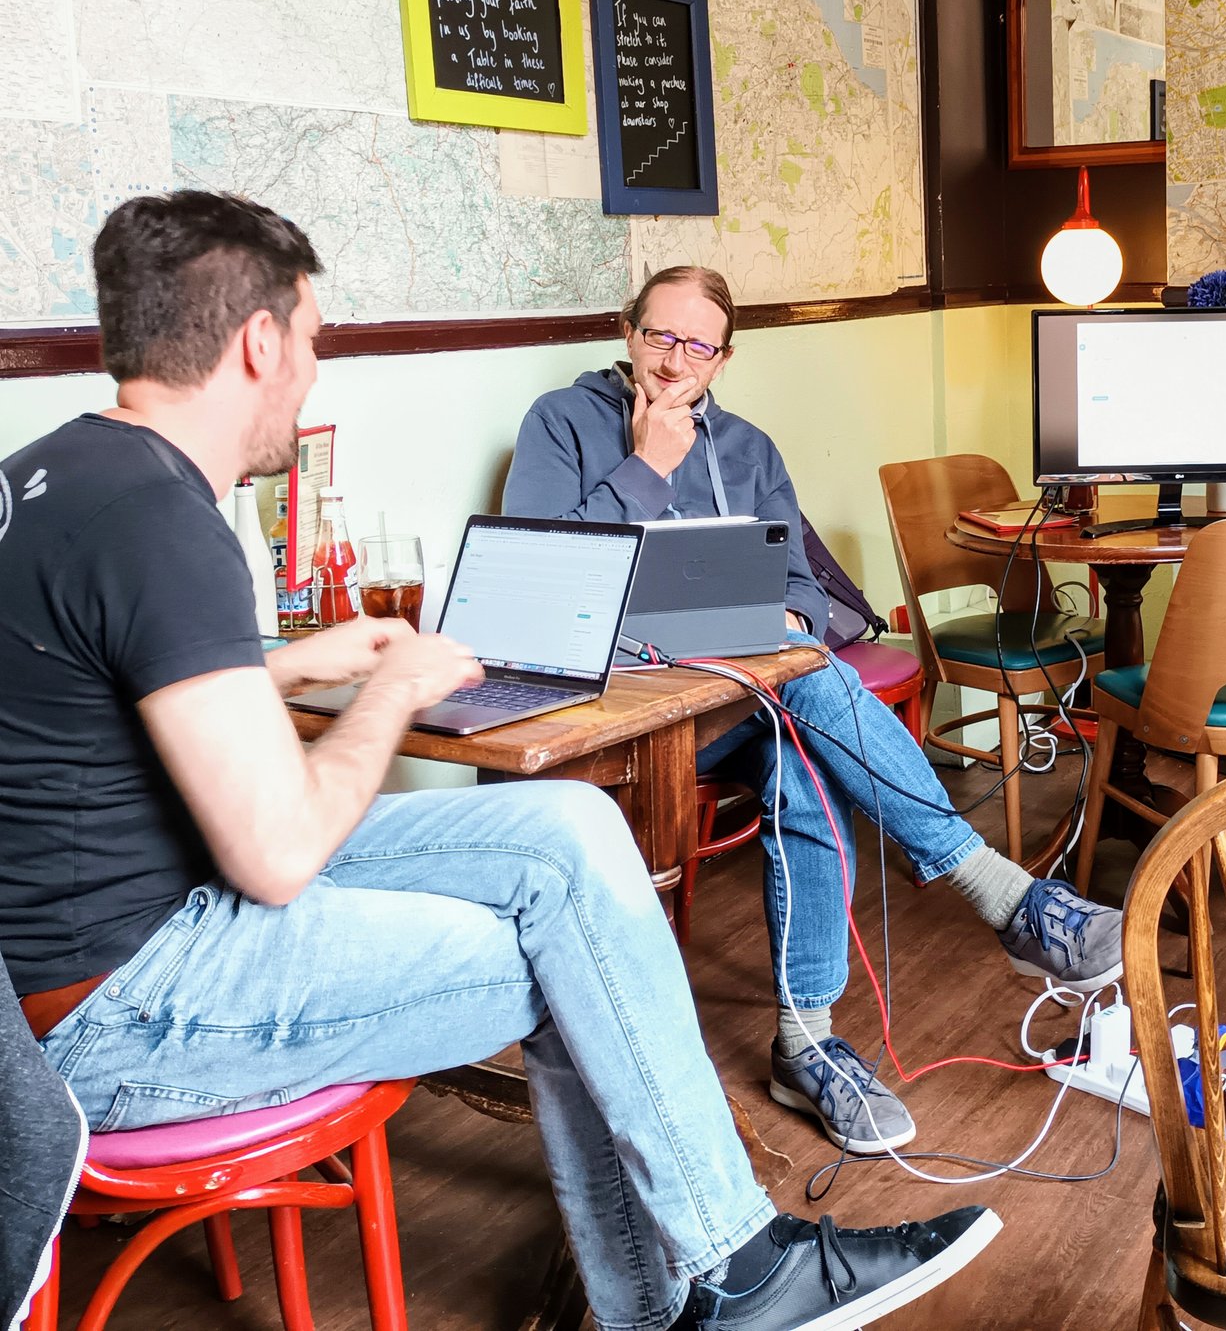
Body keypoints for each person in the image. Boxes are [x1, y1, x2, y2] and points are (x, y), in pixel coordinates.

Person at [0, 192, 999, 1331]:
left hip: (121, 920)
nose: (315, 371)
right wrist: (391, 692)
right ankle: (727, 1277)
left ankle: (686, 1290)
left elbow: (86, 696)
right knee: (579, 956)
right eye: (314, 340)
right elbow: (277, 855)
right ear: (260, 342)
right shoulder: (166, 523)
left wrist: (279, 665)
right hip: (127, 1000)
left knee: (570, 833)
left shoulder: (58, 475)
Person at [503, 265, 1124, 1155]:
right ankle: (1001, 897)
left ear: (724, 359)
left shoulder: (749, 448)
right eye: (659, 337)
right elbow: (542, 580)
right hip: (631, 711)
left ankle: (806, 1044)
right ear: (627, 332)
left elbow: (801, 583)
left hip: (745, 702)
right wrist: (648, 467)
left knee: (805, 743)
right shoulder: (560, 423)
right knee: (809, 699)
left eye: (697, 346)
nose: (674, 362)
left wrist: (787, 623)